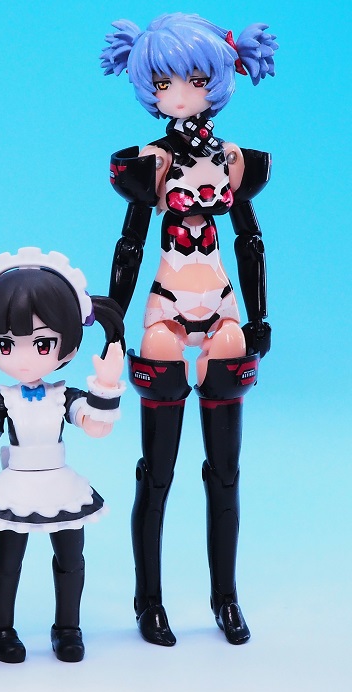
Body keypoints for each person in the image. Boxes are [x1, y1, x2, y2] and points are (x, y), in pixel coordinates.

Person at [100, 13, 277, 646]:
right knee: (158, 472)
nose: (180, 94)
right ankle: (149, 602)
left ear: (219, 80)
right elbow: (130, 244)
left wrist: (259, 315)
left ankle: (226, 597)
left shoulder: (233, 161)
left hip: (222, 306)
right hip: (166, 309)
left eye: (196, 80)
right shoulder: (149, 163)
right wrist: (114, 317)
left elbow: (250, 241)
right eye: (165, 82)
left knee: (225, 471)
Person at [0, 247, 124, 663]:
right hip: (15, 486)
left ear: (65, 343)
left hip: (60, 483)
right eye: (5, 343)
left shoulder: (63, 395)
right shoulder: (2, 400)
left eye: (41, 343)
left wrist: (107, 386)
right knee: (7, 561)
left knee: (71, 558)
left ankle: (68, 628)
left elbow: (96, 427)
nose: (22, 357)